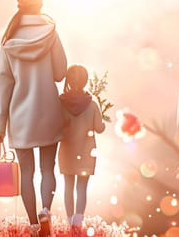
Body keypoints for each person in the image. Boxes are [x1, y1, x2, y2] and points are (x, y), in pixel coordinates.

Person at [0, 0, 67, 236]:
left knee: (26, 172)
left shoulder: (8, 40)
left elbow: (4, 84)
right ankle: (46, 209)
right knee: (48, 168)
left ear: (19, 4)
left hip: (20, 115)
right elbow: (60, 73)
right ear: (41, 4)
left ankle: (34, 224)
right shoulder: (51, 33)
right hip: (49, 110)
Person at [57, 65, 105, 231]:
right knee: (82, 187)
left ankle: (69, 220)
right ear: (86, 81)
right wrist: (102, 120)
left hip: (67, 151)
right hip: (86, 152)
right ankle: (78, 220)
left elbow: (55, 126)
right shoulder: (92, 105)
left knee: (68, 186)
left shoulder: (60, 103)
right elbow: (99, 128)